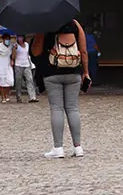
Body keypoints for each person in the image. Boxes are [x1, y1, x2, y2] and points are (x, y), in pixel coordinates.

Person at [32, 19, 90, 159]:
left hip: (52, 73)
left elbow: (36, 52)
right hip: (73, 71)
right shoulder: (75, 25)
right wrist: (85, 72)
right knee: (73, 108)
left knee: (56, 108)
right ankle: (78, 147)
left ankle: (58, 148)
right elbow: (83, 51)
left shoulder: (45, 25)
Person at [13, 35, 38, 103]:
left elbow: (28, 54)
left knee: (30, 80)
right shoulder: (15, 45)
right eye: (19, 37)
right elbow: (13, 57)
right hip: (18, 65)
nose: (20, 38)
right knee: (19, 82)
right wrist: (14, 49)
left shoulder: (27, 45)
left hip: (26, 64)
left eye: (21, 37)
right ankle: (19, 97)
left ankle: (32, 97)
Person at [0, 32, 15, 103]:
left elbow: (13, 55)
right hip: (1, 64)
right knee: (2, 82)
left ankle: (7, 95)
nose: (7, 40)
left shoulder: (11, 46)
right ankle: (3, 97)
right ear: (3, 39)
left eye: (8, 39)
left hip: (8, 64)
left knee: (9, 80)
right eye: (6, 39)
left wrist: (12, 59)